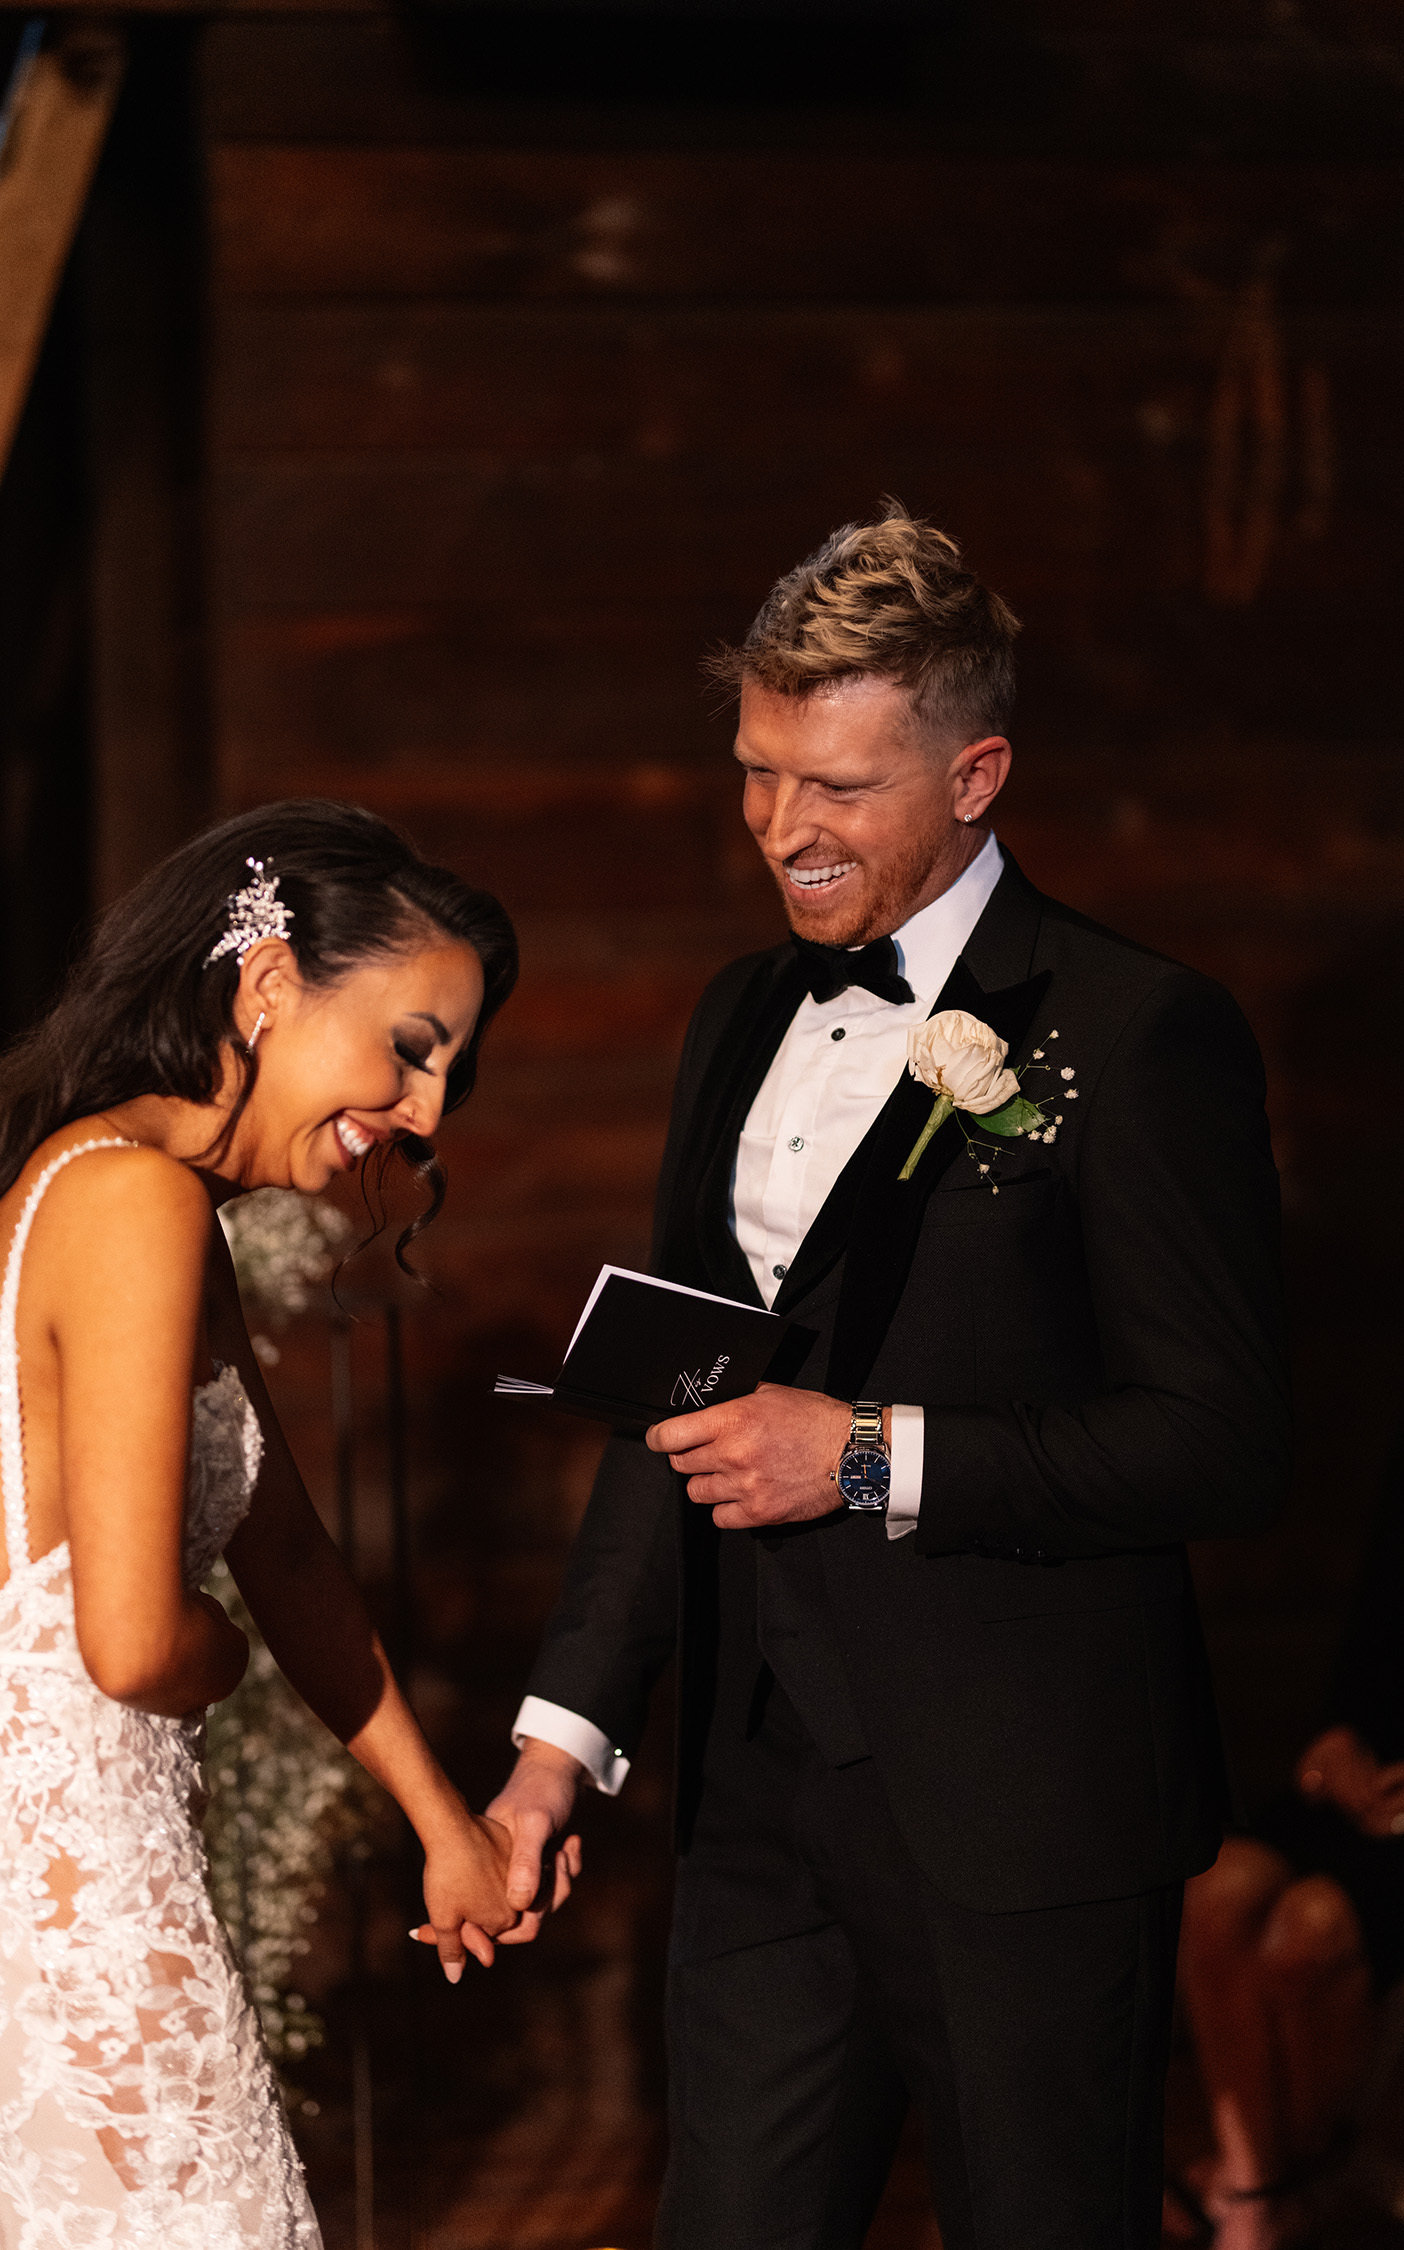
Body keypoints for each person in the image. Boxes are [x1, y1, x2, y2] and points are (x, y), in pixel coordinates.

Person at [469, 506, 1293, 2250]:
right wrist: (561, 1742)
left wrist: (867, 1456)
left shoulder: (1140, 1032)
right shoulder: (734, 1014)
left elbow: (1219, 1443)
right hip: (756, 1800)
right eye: (761, 773)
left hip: (1030, 1813)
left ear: (977, 772)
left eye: (837, 787)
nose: (784, 828)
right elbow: (669, 1400)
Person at [0, 800, 540, 2247]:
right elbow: (134, 1643)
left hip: (9, 1884)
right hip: (72, 1907)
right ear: (267, 989)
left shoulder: (107, 1186)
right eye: (414, 1046)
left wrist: (449, 1824)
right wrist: (225, 1666)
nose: (430, 1112)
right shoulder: (133, 1205)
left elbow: (287, 1550)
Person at [1170, 1447, 1404, 2250]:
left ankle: (1276, 2191)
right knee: (1215, 1887)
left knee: (1306, 1931)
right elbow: (1378, 1622)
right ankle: (1262, 2186)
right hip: (1375, 1770)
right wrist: (1335, 1740)